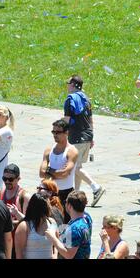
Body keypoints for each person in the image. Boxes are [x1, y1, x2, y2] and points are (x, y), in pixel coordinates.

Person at [63, 75, 105, 207]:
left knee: (74, 167)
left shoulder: (70, 100)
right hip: (87, 136)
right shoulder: (86, 99)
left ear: (74, 84)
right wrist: (91, 137)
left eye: (68, 82)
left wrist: (62, 135)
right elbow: (91, 120)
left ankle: (95, 187)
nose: (67, 85)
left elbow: (67, 121)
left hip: (75, 137)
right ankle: (75, 195)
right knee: (78, 167)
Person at [39, 119, 79, 223]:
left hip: (65, 193)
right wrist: (55, 172)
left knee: (64, 225)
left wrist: (49, 171)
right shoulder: (49, 150)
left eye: (58, 132)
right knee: (48, 222)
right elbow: (41, 173)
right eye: (53, 132)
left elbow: (64, 174)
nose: (55, 135)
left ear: (66, 133)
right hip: (50, 192)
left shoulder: (72, 151)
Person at [45, 190, 92, 259]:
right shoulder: (86, 217)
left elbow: (68, 255)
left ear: (69, 206)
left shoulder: (75, 228)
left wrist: (53, 238)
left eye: (65, 202)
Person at [14, 193, 58, 259]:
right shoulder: (24, 226)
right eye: (48, 205)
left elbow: (57, 243)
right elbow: (19, 253)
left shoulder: (52, 222)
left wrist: (55, 255)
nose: (50, 207)